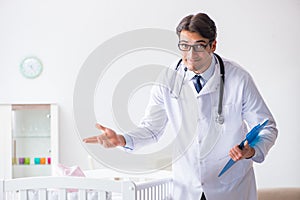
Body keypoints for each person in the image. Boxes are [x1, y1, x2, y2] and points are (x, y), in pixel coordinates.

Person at [83, 13, 278, 200]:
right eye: (184, 46)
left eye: (199, 46)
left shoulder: (238, 79)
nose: (191, 55)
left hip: (230, 188)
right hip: (187, 187)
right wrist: (122, 139)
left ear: (213, 46)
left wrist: (251, 150)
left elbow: (266, 126)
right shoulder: (168, 80)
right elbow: (152, 130)